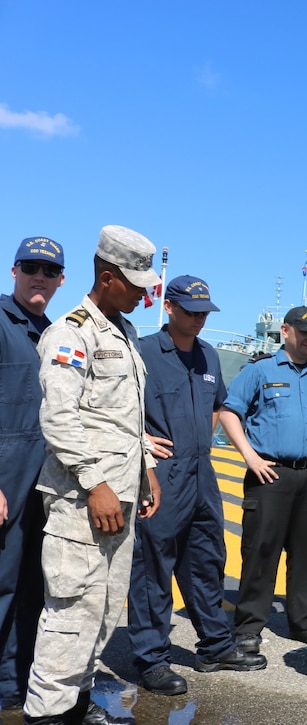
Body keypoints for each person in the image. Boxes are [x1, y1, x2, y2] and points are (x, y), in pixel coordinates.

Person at [23, 226, 164, 725]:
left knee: (103, 612)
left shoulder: (124, 334)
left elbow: (123, 417)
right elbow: (59, 417)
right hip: (82, 500)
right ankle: (47, 714)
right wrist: (96, 483)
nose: (146, 291)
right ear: (107, 277)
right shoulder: (71, 332)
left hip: (118, 496)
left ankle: (77, 705)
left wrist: (145, 470)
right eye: (136, 282)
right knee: (70, 615)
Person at [128, 275, 266, 697]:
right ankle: (152, 659)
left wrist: (199, 445)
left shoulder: (207, 354)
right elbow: (119, 403)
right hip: (163, 471)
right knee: (154, 566)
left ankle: (215, 647)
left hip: (201, 469)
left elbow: (216, 405)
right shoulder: (144, 352)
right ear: (168, 308)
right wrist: (140, 439)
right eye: (191, 311)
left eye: (204, 312)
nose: (200, 319)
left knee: (207, 559)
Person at [219, 306, 307, 655]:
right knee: (261, 549)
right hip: (270, 473)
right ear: (285, 331)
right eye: (303, 331)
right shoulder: (260, 371)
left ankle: (305, 622)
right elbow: (231, 412)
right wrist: (249, 456)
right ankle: (249, 627)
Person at [0, 238, 64, 713]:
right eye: (30, 267)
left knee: (34, 585)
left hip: (48, 478)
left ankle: (15, 683)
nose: (38, 277)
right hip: (7, 472)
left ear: (61, 280)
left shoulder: (58, 335)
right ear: (14, 271)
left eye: (49, 270)